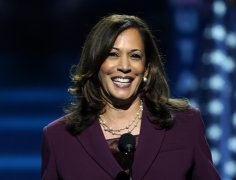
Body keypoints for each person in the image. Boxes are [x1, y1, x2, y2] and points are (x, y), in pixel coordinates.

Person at [41, 14, 220, 180]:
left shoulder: (185, 124)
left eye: (135, 56)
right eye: (113, 54)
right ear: (95, 64)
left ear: (147, 69)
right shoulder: (59, 137)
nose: (124, 66)